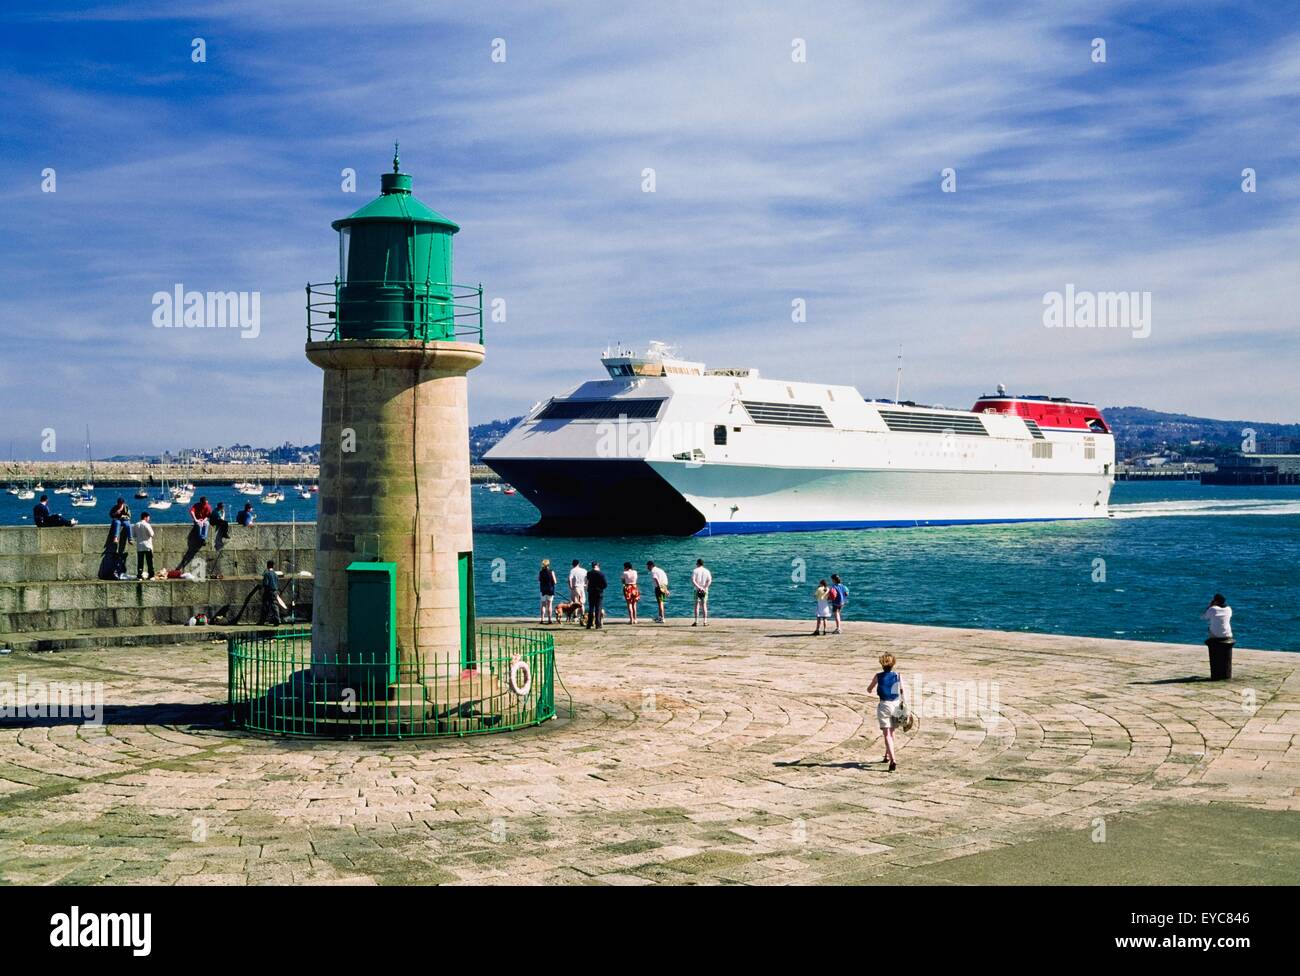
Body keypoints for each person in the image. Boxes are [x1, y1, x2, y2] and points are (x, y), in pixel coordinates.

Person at [868, 653, 905, 771]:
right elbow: (902, 691)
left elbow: (869, 689)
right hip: (895, 705)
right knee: (892, 731)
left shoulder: (878, 676)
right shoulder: (898, 675)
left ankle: (893, 759)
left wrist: (871, 689)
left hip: (884, 705)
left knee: (887, 734)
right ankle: (887, 755)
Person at [258, 560, 282, 626]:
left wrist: (261, 587)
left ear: (267, 565)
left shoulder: (267, 574)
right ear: (273, 566)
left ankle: (275, 620)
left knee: (266, 606)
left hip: (269, 591)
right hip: (275, 591)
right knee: (274, 606)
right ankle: (276, 620)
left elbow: (266, 583)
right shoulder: (275, 574)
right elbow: (277, 583)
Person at [134, 511, 156, 580]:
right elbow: (152, 534)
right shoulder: (147, 525)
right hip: (147, 546)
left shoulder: (136, 524)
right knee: (149, 562)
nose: (149, 519)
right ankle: (151, 575)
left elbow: (134, 535)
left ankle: (139, 575)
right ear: (146, 517)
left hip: (139, 546)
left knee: (140, 562)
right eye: (148, 517)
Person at [585, 561, 608, 630]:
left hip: (591, 592)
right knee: (598, 608)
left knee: (591, 608)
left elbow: (588, 580)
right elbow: (605, 584)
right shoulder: (601, 574)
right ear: (598, 566)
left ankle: (589, 624)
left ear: (592, 566)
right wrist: (601, 588)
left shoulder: (589, 573)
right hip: (599, 592)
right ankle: (598, 624)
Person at [691, 558, 712, 627]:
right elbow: (709, 580)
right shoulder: (707, 571)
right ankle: (705, 622)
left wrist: (699, 587)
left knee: (697, 605)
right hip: (704, 590)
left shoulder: (695, 571)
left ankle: (696, 621)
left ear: (697, 563)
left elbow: (693, 580)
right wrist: (704, 587)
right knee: (704, 605)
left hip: (697, 590)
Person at [538, 558, 557, 624]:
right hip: (550, 589)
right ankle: (549, 619)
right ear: (549, 564)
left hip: (543, 590)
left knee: (543, 604)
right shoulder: (551, 571)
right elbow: (555, 581)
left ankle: (542, 619)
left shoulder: (541, 572)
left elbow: (539, 579)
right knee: (549, 605)